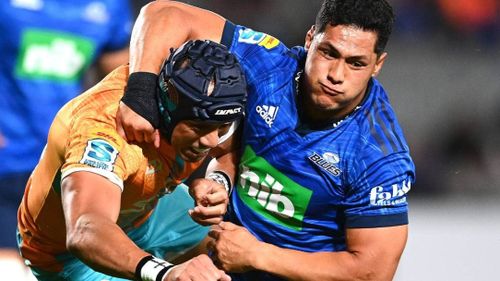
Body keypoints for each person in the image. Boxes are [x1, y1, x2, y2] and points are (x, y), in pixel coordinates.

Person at [118, 0, 416, 280]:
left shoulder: (377, 154)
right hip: (218, 260)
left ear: (378, 65)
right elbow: (163, 13)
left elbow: (372, 271)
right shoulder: (271, 66)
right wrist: (140, 93)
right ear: (310, 39)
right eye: (329, 52)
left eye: (356, 63)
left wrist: (257, 255)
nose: (336, 74)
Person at [17, 39, 247, 281]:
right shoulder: (102, 131)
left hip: (150, 209)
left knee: (237, 244)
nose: (211, 141)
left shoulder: (200, 99)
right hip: (69, 254)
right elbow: (85, 229)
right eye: (199, 127)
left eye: (222, 127)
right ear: (167, 109)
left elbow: (227, 150)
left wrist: (218, 181)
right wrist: (164, 273)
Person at [0, 0, 133, 270]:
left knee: (63, 264)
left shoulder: (111, 7)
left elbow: (122, 77)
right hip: (8, 155)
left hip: (65, 155)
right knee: (9, 267)